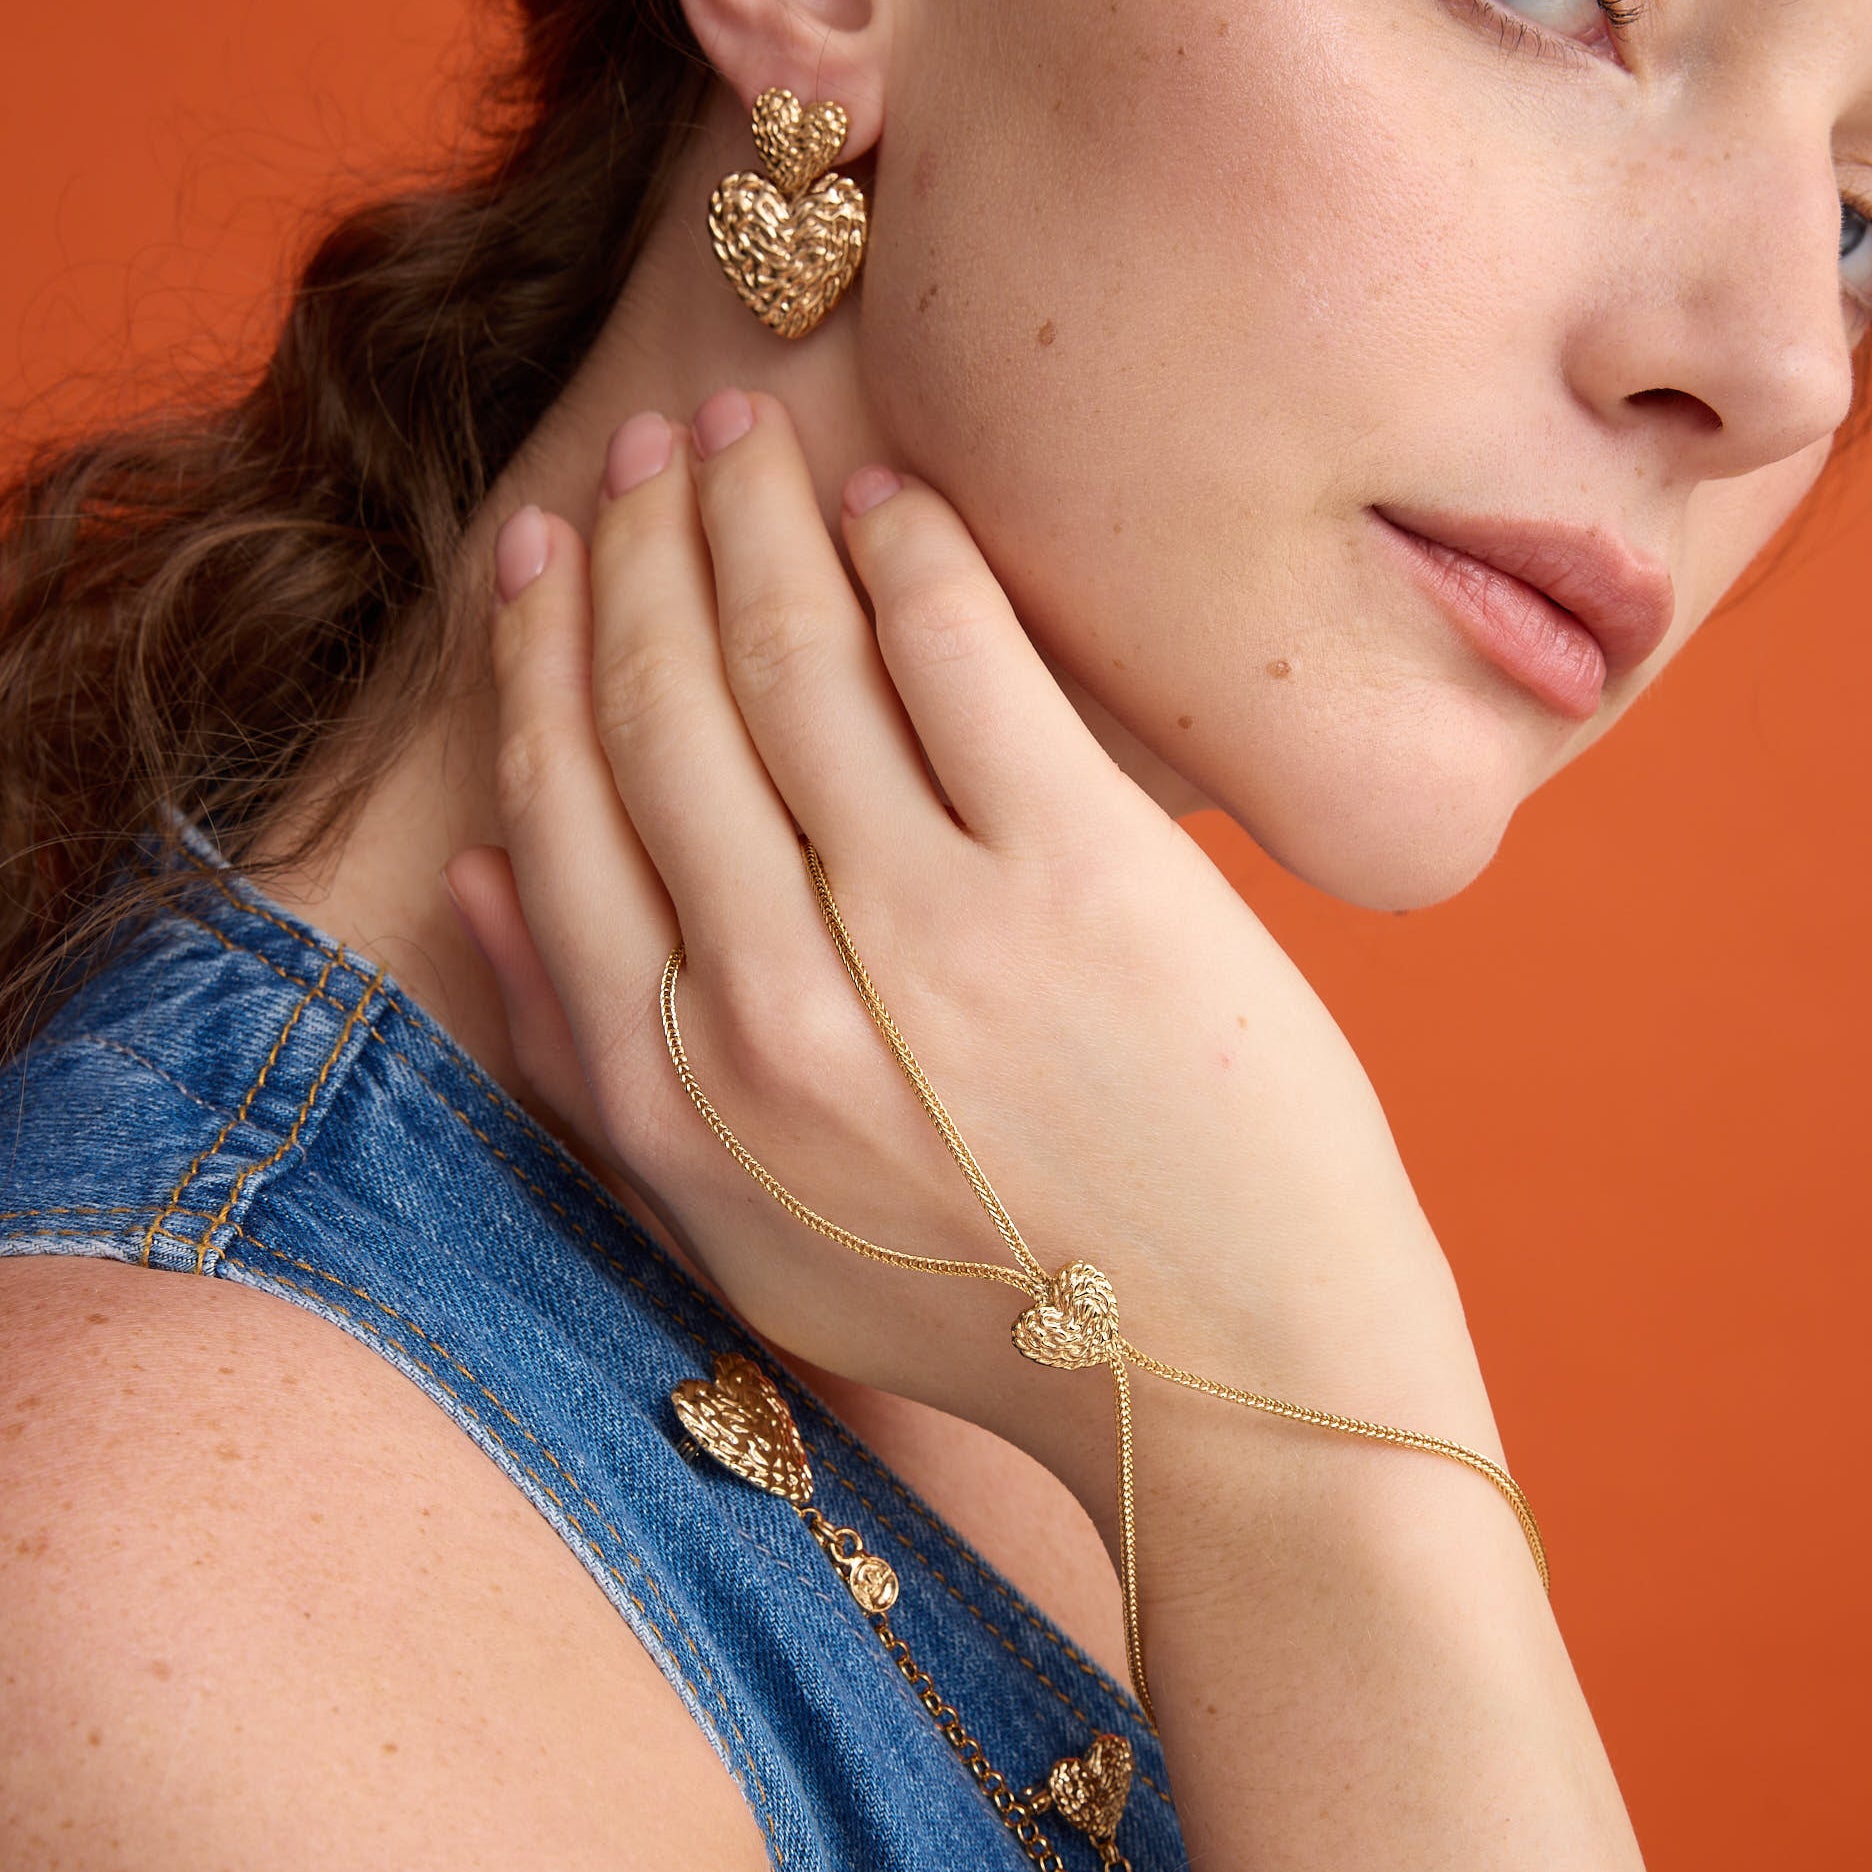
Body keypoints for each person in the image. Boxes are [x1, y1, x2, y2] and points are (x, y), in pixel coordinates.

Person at [1, 0, 1867, 1864]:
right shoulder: (196, 1609)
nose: (1786, 366)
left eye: (1862, 219)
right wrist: (1326, 1484)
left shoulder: (1064, 1252)